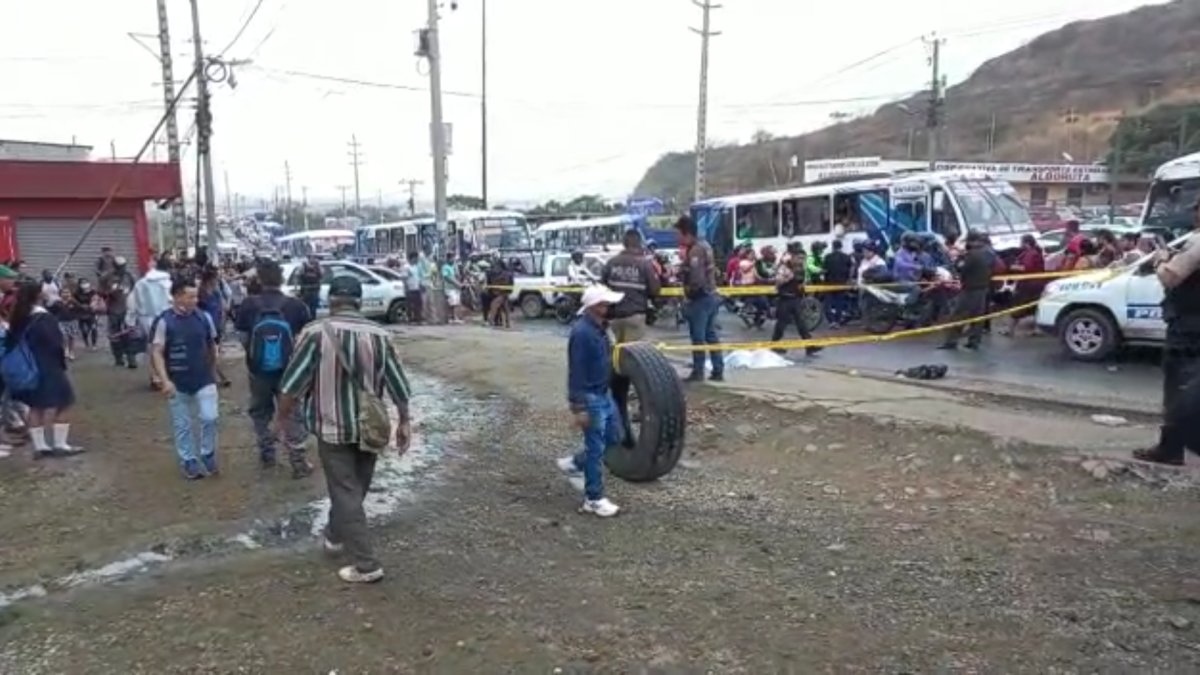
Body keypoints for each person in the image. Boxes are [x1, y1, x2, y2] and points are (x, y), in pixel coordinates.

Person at [278, 275, 413, 584]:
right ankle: (334, 536)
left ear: (331, 301)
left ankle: (367, 565)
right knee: (354, 490)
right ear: (360, 301)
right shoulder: (380, 335)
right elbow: (398, 384)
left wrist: (281, 419)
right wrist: (404, 421)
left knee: (346, 492)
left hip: (332, 426)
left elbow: (292, 384)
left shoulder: (314, 333)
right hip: (371, 426)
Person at [1135, 200, 1200, 466]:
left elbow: (1171, 276)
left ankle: (1171, 448)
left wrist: (1161, 260)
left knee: (1178, 385)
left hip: (1189, 327)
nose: (1194, 214)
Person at [235, 260, 313, 476]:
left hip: (258, 371)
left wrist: (256, 356)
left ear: (259, 280)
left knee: (260, 412)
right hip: (290, 372)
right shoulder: (296, 306)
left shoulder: (248, 305)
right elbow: (305, 340)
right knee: (292, 412)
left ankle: (267, 453)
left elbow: (243, 338)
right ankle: (298, 462)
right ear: (282, 279)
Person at [555, 284, 626, 518]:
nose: (610, 306)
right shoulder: (582, 333)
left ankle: (576, 463)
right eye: (606, 303)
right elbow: (576, 371)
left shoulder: (601, 328)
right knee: (596, 449)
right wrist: (579, 407)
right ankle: (593, 499)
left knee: (615, 437)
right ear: (595, 306)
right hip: (590, 396)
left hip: (603, 393)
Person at [150, 278, 221, 480]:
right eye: (191, 297)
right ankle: (188, 460)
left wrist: (213, 370)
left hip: (204, 378)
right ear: (177, 297)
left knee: (210, 417)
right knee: (182, 424)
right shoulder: (164, 321)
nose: (195, 300)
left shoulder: (204, 318)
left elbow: (212, 345)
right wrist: (164, 380)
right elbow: (157, 351)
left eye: (196, 296)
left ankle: (207, 453)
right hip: (176, 380)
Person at [5, 280, 80, 458]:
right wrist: (61, 361)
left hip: (26, 368)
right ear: (38, 295)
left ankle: (40, 446)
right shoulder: (44, 318)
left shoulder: (18, 317)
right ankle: (60, 444)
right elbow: (55, 343)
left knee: (35, 406)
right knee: (64, 403)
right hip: (48, 365)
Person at [600, 229, 661, 445]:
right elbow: (655, 290)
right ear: (639, 243)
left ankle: (617, 405)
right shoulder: (644, 264)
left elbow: (602, 288)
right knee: (638, 364)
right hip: (635, 317)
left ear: (624, 243)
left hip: (615, 319)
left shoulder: (611, 263)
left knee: (618, 363)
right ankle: (637, 407)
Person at [675, 215, 724, 382]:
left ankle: (698, 371)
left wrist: (689, 294)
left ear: (687, 234)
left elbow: (696, 278)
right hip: (711, 295)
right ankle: (718, 369)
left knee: (698, 337)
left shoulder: (696, 250)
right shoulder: (705, 245)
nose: (677, 238)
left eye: (679, 234)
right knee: (710, 335)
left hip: (700, 298)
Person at [940, 232, 994, 351]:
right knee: (977, 316)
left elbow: (962, 268)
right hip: (983, 288)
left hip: (970, 289)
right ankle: (974, 341)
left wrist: (959, 259)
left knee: (958, 315)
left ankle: (951, 341)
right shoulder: (989, 252)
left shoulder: (972, 254)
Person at [771, 248, 822, 357]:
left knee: (801, 323)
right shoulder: (785, 267)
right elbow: (777, 282)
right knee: (781, 324)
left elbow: (802, 282)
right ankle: (774, 344)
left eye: (803, 258)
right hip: (785, 299)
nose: (801, 260)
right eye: (799, 258)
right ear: (793, 257)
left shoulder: (801, 269)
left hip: (796, 298)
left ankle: (809, 346)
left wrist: (803, 287)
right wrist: (788, 278)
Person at [822, 239, 854, 326]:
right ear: (841, 247)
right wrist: (849, 278)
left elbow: (824, 270)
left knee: (828, 303)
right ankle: (838, 321)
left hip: (829, 283)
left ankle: (831, 321)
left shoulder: (827, 257)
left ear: (833, 247)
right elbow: (852, 267)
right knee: (839, 303)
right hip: (842, 283)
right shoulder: (846, 257)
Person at [400, 250, 424, 324]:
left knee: (419, 304)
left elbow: (418, 277)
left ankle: (418, 319)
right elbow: (404, 278)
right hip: (410, 289)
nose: (417, 260)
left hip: (417, 288)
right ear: (412, 258)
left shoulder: (416, 267)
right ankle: (410, 319)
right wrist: (406, 288)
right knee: (410, 305)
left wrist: (421, 285)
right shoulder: (406, 267)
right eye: (416, 258)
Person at [441, 253, 464, 324]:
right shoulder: (445, 267)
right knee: (452, 303)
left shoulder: (453, 266)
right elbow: (447, 277)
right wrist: (456, 283)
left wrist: (456, 269)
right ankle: (453, 318)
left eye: (453, 258)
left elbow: (457, 276)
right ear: (448, 259)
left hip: (455, 288)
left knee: (456, 302)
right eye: (452, 258)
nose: (453, 260)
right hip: (449, 288)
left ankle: (453, 317)